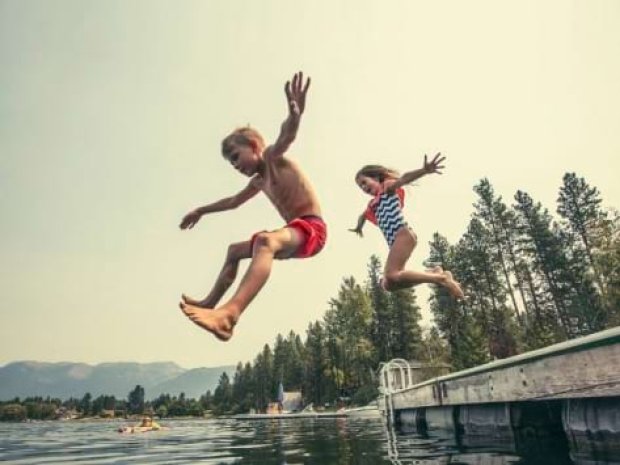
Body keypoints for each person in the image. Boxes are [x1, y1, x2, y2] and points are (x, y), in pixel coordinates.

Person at [179, 72, 326, 341]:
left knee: (265, 242)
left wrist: (296, 115)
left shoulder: (272, 158)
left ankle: (229, 316)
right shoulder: (259, 181)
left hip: (312, 229)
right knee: (234, 251)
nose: (236, 165)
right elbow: (233, 202)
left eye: (236, 157)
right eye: (231, 164)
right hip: (293, 232)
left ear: (255, 146)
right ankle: (211, 303)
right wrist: (201, 210)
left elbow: (287, 136)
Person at [349, 154, 464, 299]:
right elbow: (363, 216)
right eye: (361, 186)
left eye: (365, 182)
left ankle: (441, 279)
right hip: (396, 241)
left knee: (391, 275)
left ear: (377, 178)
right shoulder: (373, 204)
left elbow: (404, 179)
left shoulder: (387, 188)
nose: (364, 187)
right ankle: (434, 274)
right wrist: (359, 227)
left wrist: (424, 170)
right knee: (388, 284)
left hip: (402, 234)